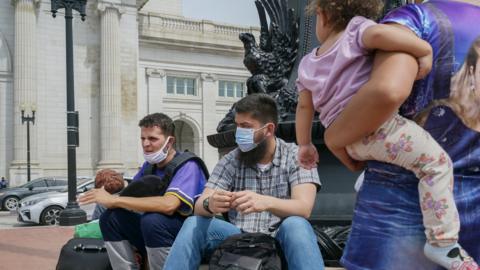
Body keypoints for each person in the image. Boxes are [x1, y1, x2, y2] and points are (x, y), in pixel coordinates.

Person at [295, 1, 476, 268]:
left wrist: (306, 144)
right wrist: (424, 49)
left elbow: (304, 106)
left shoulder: (307, 63)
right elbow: (382, 46)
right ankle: (443, 242)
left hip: (356, 140)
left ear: (321, 15)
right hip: (379, 130)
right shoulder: (360, 30)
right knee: (436, 164)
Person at [163, 94, 324, 270]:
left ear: (268, 129)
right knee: (193, 223)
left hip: (280, 235)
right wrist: (211, 203)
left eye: (246, 127)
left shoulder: (295, 156)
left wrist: (265, 202)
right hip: (238, 236)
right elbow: (199, 205)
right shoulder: (231, 159)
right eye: (238, 126)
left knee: (297, 224)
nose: (239, 133)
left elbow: (304, 208)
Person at [78, 113, 207, 270]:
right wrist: (110, 196)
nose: (146, 144)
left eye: (152, 139)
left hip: (189, 233)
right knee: (110, 218)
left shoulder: (188, 165)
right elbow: (130, 197)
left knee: (152, 220)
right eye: (143, 138)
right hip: (157, 231)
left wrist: (115, 200)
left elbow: (169, 205)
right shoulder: (149, 166)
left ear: (170, 141)